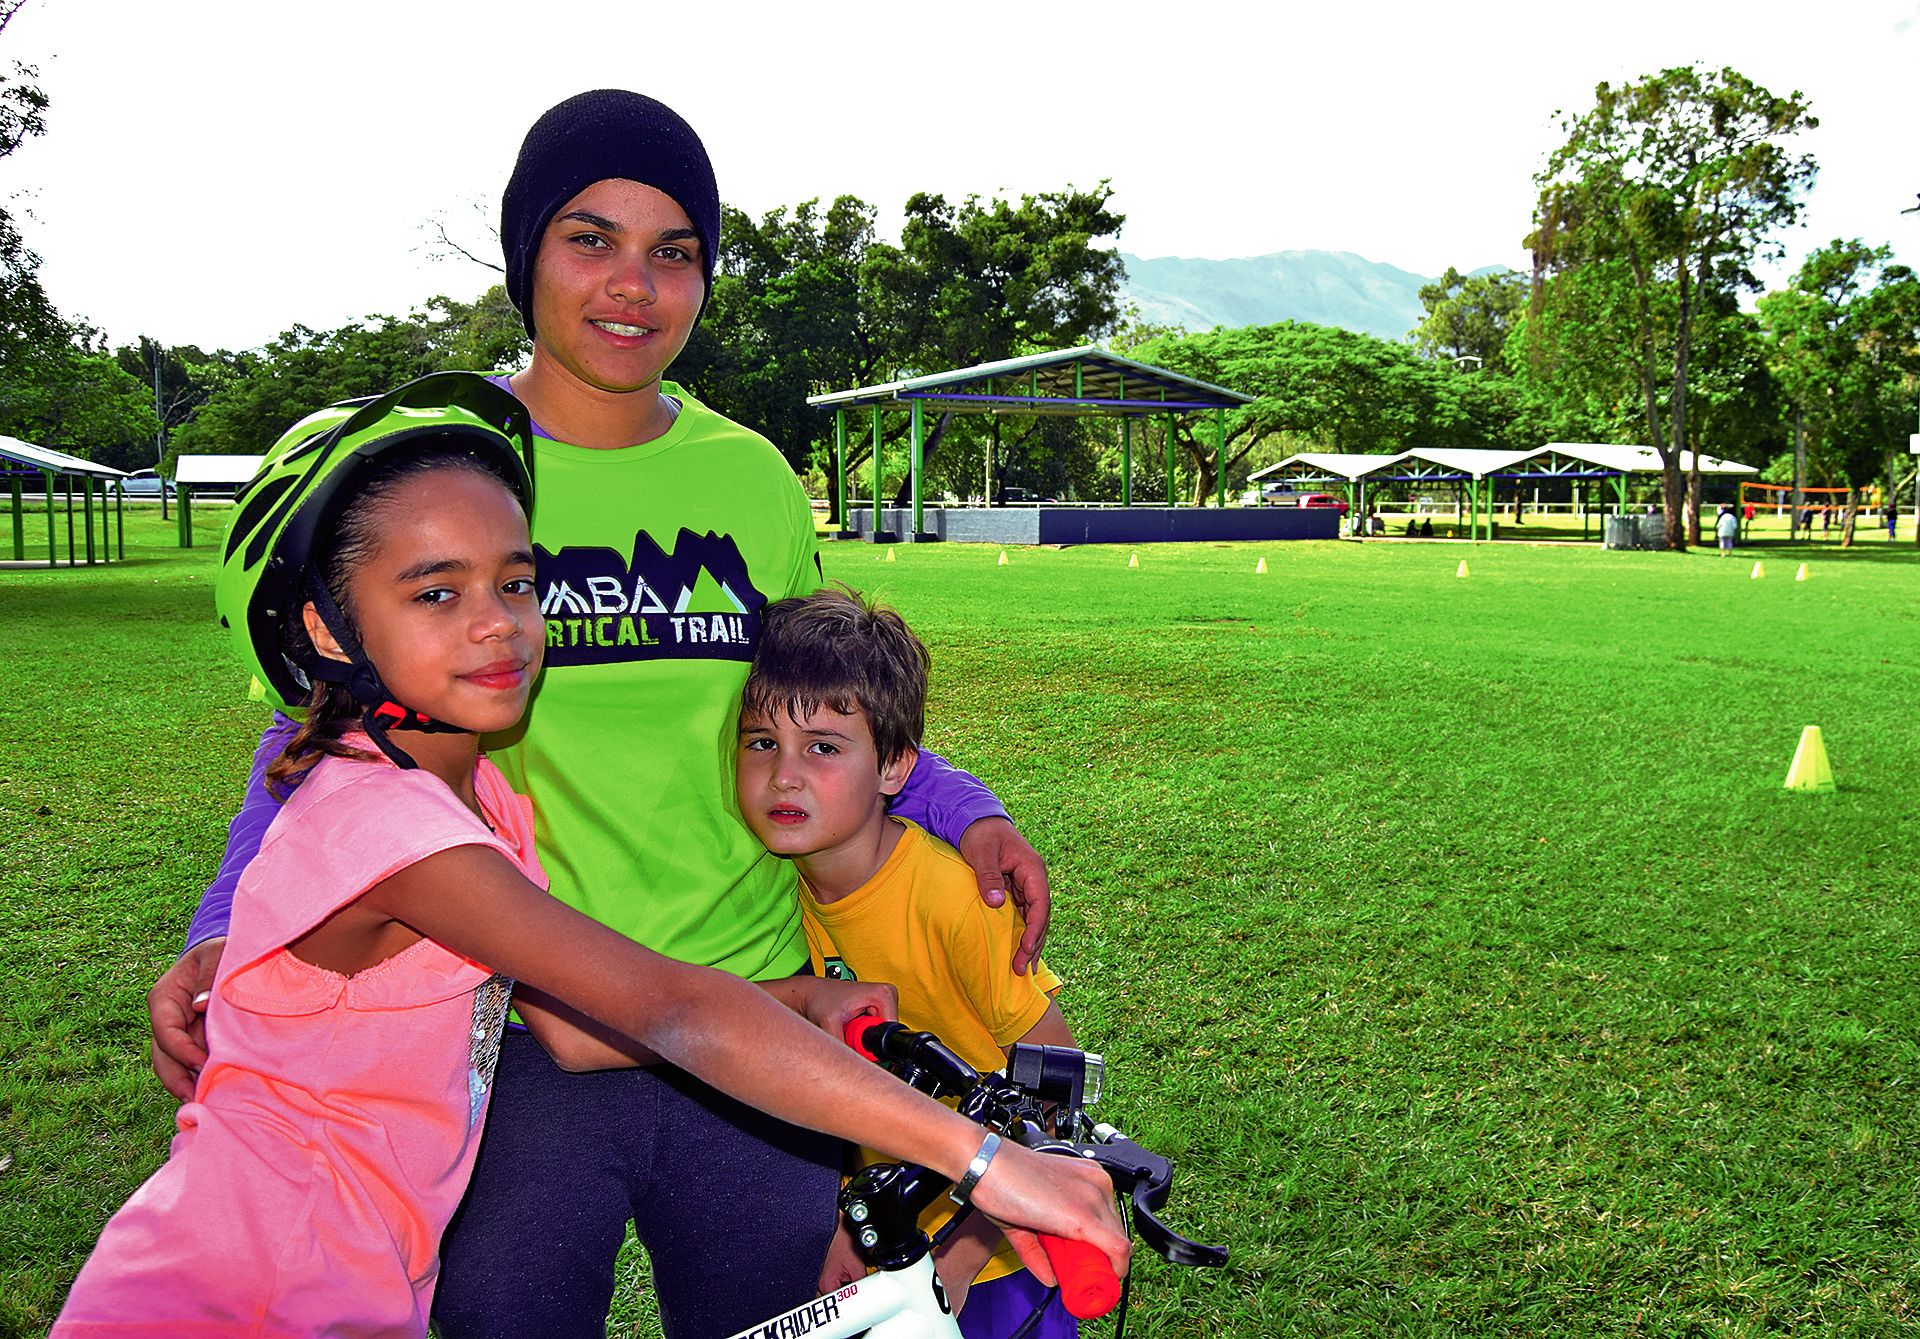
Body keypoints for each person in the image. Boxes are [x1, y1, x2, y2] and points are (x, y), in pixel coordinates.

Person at [144, 90, 1059, 1338]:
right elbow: (320, 742)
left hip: (759, 1007)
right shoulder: (444, 475)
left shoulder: (747, 479)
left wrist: (967, 810)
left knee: (783, 1319)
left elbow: (819, 704)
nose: (633, 285)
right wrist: (220, 933)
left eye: (672, 252)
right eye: (590, 239)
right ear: (527, 255)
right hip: (520, 1030)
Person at [58, 381, 1125, 1337]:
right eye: (437, 593)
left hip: (348, 1281)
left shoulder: (480, 802)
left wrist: (797, 997)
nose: (498, 627)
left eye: (516, 583)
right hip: (239, 1291)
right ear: (327, 630)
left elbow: (574, 1031)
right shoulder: (387, 827)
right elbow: (664, 1005)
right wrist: (981, 1157)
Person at [737, 589, 1078, 1339]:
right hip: (889, 1251)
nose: (783, 775)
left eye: (823, 746)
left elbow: (1053, 1081)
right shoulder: (766, 902)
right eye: (761, 741)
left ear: (894, 765)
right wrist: (851, 1221)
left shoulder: (955, 897)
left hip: (1002, 1258)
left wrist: (963, 1248)